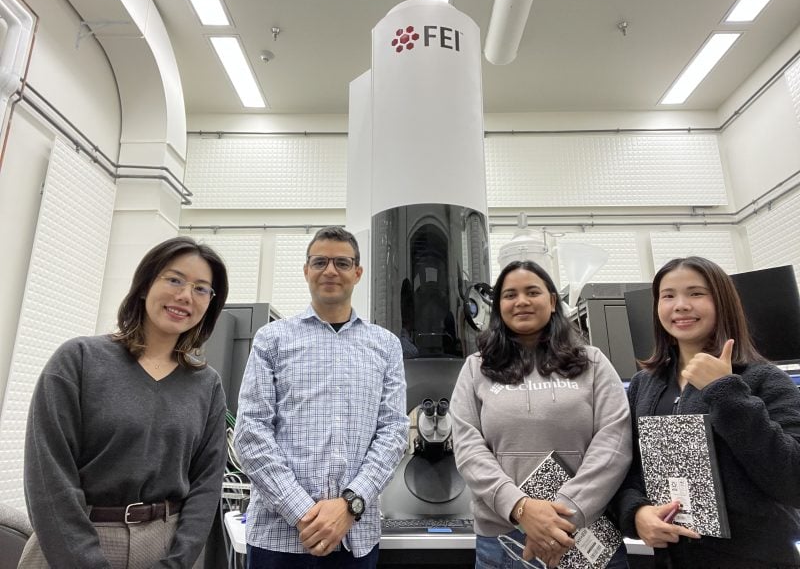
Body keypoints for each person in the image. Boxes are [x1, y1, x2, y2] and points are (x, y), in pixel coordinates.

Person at [20, 236, 230, 568]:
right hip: (72, 545)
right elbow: (48, 476)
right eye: (174, 279)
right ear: (145, 285)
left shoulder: (207, 385)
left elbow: (207, 485)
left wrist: (177, 561)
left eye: (201, 288)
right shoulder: (79, 360)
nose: (185, 295)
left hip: (163, 549)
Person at [233, 226, 409, 568]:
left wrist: (349, 505)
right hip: (280, 537)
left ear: (357, 273)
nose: (330, 270)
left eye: (342, 263)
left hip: (355, 537)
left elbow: (393, 432)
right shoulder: (272, 339)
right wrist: (302, 512)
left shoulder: (385, 345)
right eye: (320, 262)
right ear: (306, 271)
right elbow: (251, 432)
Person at [612, 256, 800, 569]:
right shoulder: (644, 385)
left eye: (696, 293)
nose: (680, 305)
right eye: (668, 295)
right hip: (671, 558)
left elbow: (793, 479)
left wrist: (726, 393)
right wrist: (637, 512)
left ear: (722, 301)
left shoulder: (763, 379)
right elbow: (626, 467)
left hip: (757, 559)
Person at [451, 260, 632, 569]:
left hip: (582, 532)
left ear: (551, 301)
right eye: (510, 295)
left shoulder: (592, 362)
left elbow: (614, 441)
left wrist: (560, 516)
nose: (521, 301)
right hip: (504, 539)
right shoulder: (476, 368)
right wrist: (521, 508)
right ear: (498, 308)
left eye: (532, 292)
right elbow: (468, 448)